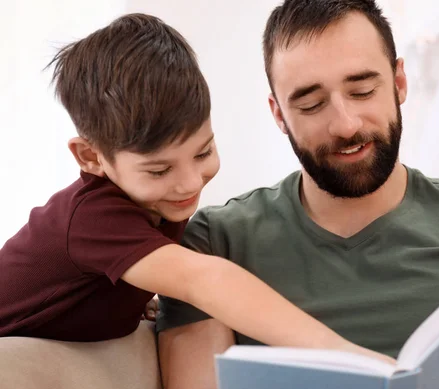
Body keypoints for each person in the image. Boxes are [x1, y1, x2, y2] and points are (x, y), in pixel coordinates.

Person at [155, 1, 439, 389]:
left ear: (399, 82)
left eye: (363, 91)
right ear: (279, 115)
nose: (346, 125)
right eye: (311, 105)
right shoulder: (214, 244)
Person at [0, 12, 393, 365]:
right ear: (90, 157)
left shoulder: (154, 207)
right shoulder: (92, 218)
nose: (189, 183)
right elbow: (206, 281)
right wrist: (346, 354)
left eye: (203, 151)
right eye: (159, 170)